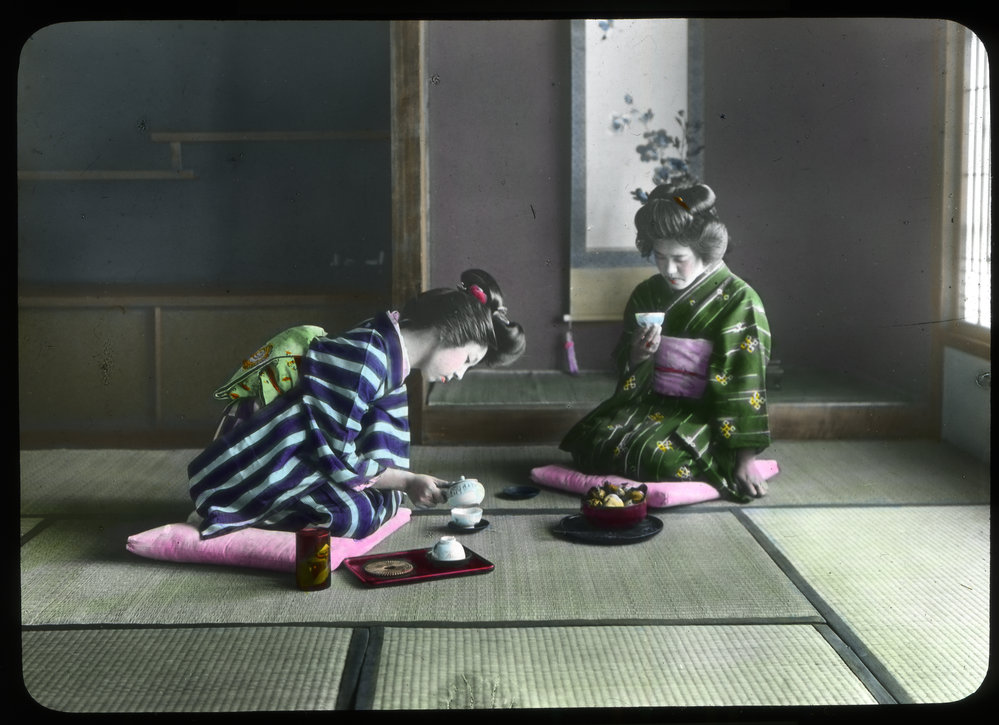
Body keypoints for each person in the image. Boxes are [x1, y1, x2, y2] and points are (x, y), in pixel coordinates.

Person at [188, 269, 525, 539]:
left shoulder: (386, 347)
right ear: (449, 332)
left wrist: (405, 480)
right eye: (467, 359)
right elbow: (340, 458)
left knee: (385, 501)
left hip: (310, 452)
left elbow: (366, 438)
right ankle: (245, 508)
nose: (461, 374)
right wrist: (406, 481)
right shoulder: (370, 357)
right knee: (359, 515)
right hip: (264, 461)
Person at [555, 181, 774, 503]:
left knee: (659, 458)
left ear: (704, 249)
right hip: (651, 405)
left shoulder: (739, 299)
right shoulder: (648, 293)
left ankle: (726, 460)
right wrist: (638, 356)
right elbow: (626, 368)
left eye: (679, 258)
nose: (669, 269)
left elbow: (744, 381)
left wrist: (745, 460)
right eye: (659, 256)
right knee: (591, 443)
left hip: (705, 413)